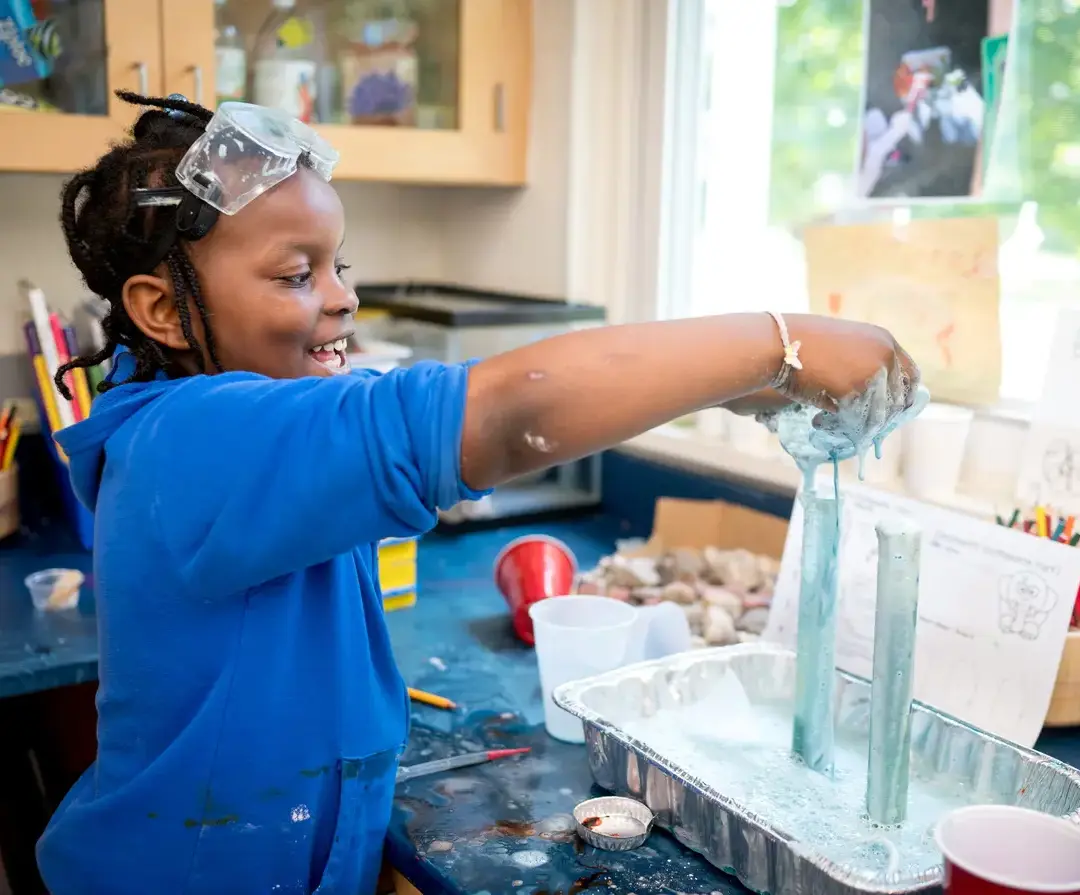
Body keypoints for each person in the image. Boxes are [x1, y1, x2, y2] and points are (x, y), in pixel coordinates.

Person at [38, 91, 919, 895]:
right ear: (161, 309)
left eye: (338, 263)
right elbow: (506, 412)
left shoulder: (243, 425)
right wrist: (782, 344)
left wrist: (729, 389)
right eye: (294, 274)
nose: (342, 297)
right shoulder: (194, 438)